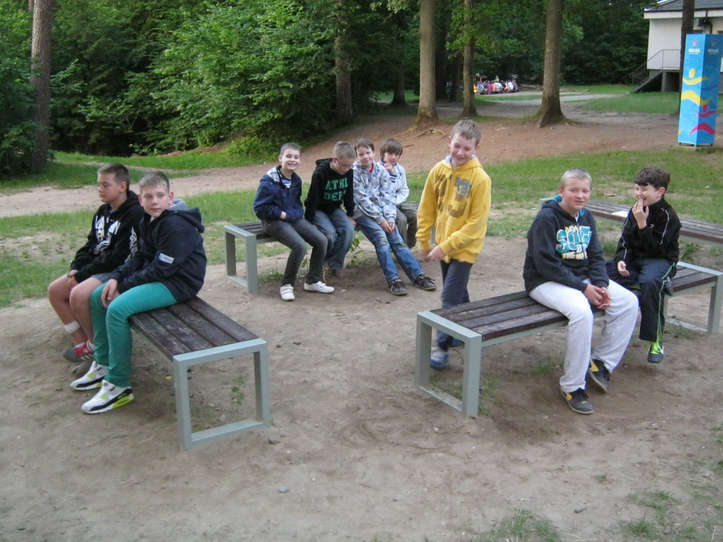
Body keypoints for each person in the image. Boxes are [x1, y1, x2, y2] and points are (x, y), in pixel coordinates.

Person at [70, 171, 207, 414]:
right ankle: (103, 362)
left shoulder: (175, 225)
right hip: (161, 277)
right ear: (140, 199)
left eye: (160, 196)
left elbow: (161, 268)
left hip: (178, 283)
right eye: (148, 197)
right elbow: (141, 256)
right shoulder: (148, 220)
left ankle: (119, 384)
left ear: (170, 197)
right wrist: (116, 277)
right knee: (97, 295)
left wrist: (124, 286)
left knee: (117, 309)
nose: (154, 201)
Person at [523, 168, 639, 415]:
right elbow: (545, 264)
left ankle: (601, 363)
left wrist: (601, 285)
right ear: (561, 191)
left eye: (585, 191)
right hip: (544, 281)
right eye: (573, 190)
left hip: (581, 278)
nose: (580, 195)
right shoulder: (546, 219)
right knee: (582, 312)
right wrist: (584, 288)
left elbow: (596, 255)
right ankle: (572, 386)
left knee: (628, 302)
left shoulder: (586, 217)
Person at [47, 163, 145, 364]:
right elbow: (91, 244)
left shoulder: (134, 214)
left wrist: (82, 276)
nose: (100, 189)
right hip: (97, 266)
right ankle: (82, 345)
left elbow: (119, 257)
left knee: (79, 294)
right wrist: (76, 267)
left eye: (105, 185)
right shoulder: (103, 211)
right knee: (55, 290)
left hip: (118, 270)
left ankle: (99, 348)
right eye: (98, 185)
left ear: (122, 186)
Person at [416, 119, 491, 369]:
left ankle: (442, 346)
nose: (460, 152)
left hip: (464, 249)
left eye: (467, 148)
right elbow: (426, 207)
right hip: (441, 245)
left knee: (449, 296)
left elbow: (475, 224)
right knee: (459, 292)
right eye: (457, 146)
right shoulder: (438, 171)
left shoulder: (480, 179)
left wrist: (445, 247)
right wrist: (423, 240)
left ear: (476, 148)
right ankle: (468, 330)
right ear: (449, 142)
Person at [606, 166, 680, 364]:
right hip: (636, 260)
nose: (639, 193)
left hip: (661, 260)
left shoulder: (668, 216)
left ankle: (655, 340)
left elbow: (658, 250)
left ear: (660, 191)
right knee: (602, 272)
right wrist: (622, 260)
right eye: (637, 189)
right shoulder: (635, 211)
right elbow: (625, 241)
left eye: (644, 189)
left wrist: (643, 225)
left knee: (650, 284)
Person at [352, 138, 436, 296]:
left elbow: (388, 196)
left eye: (368, 152)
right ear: (356, 156)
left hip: (383, 213)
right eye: (361, 154)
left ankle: (418, 276)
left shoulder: (380, 170)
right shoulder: (354, 172)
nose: (365, 157)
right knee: (382, 240)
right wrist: (381, 220)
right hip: (363, 213)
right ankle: (393, 279)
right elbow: (362, 200)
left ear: (373, 153)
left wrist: (390, 218)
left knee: (396, 239)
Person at [254, 142, 333, 301]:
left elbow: (297, 205)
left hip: (293, 218)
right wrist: (282, 214)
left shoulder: (296, 180)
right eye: (288, 156)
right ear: (280, 158)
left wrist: (295, 215)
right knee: (300, 246)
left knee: (322, 240)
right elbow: (259, 208)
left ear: (300, 160)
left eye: (296, 157)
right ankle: (287, 285)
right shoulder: (269, 181)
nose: (292, 160)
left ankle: (313, 281)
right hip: (273, 221)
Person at [304, 141, 356, 277]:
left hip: (334, 208)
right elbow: (312, 199)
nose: (347, 169)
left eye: (350, 166)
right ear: (335, 160)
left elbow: (349, 194)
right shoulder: (320, 173)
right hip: (318, 210)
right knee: (330, 234)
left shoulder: (349, 172)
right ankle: (319, 265)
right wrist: (309, 221)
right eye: (344, 165)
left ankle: (334, 264)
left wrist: (350, 214)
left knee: (348, 230)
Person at [379, 138, 417, 248]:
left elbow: (404, 189)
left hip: (397, 202)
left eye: (397, 154)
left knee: (415, 216)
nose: (393, 157)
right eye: (390, 154)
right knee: (401, 220)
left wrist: (396, 200)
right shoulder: (378, 169)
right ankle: (401, 249)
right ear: (383, 154)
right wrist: (391, 173)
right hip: (385, 205)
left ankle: (409, 245)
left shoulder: (400, 169)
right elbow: (384, 191)